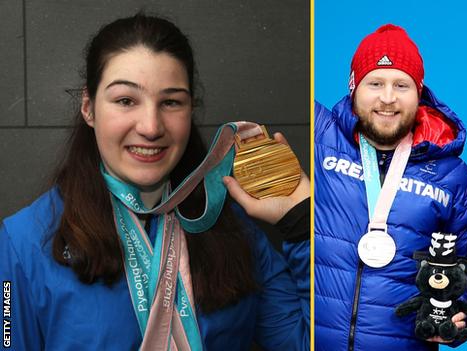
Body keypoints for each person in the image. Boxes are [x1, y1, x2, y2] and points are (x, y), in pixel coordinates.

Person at [0, 14, 310, 350]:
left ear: (191, 110)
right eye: (125, 101)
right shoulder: (23, 243)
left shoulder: (236, 233)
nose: (151, 126)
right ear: (89, 108)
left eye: (171, 102)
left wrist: (301, 223)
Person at [314, 24, 467, 350]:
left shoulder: (454, 179)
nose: (388, 98)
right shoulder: (318, 138)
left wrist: (454, 313)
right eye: (375, 83)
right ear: (354, 87)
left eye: (401, 85)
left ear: (419, 93)